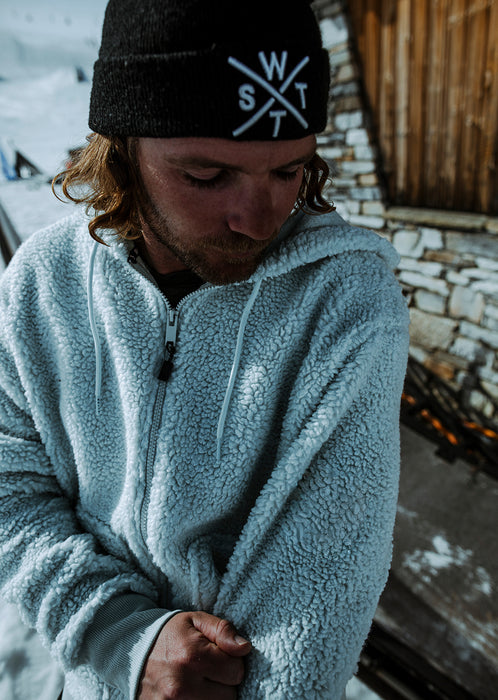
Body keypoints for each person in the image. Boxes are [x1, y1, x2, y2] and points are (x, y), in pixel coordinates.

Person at [0, 0, 409, 698]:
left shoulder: (347, 302)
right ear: (122, 147)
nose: (258, 221)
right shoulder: (44, 279)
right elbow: (10, 484)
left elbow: (318, 590)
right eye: (207, 177)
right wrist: (117, 636)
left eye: (289, 171)